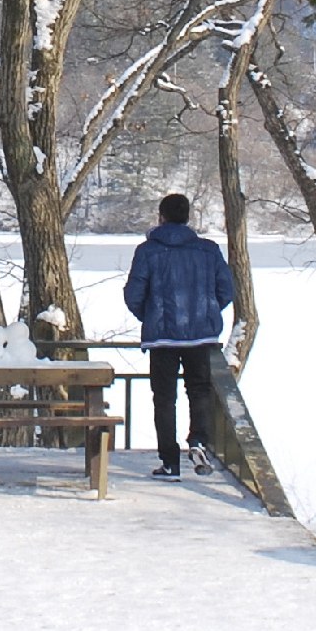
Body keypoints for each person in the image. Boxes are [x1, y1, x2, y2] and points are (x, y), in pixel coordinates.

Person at [122, 193, 234, 480]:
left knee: (164, 398)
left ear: (161, 217)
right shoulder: (208, 250)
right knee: (199, 390)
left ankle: (170, 462)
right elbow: (226, 290)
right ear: (187, 218)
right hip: (200, 337)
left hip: (162, 339)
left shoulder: (148, 251)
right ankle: (198, 440)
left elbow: (134, 295)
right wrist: (206, 312)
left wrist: (151, 317)